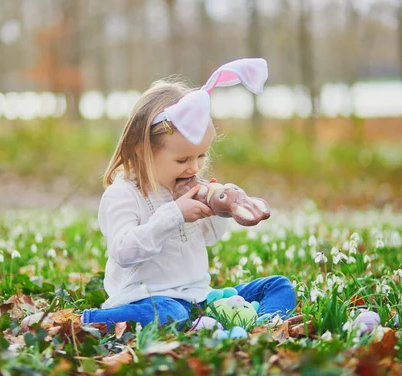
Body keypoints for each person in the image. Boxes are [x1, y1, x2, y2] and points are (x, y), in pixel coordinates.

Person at [81, 59, 296, 327]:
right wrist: (175, 215)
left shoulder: (190, 187)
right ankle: (88, 321)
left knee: (278, 285)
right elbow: (123, 252)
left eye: (201, 156)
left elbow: (210, 239)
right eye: (182, 160)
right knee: (172, 315)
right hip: (147, 298)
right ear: (142, 150)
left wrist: (219, 210)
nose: (193, 167)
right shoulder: (123, 194)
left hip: (199, 298)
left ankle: (264, 326)